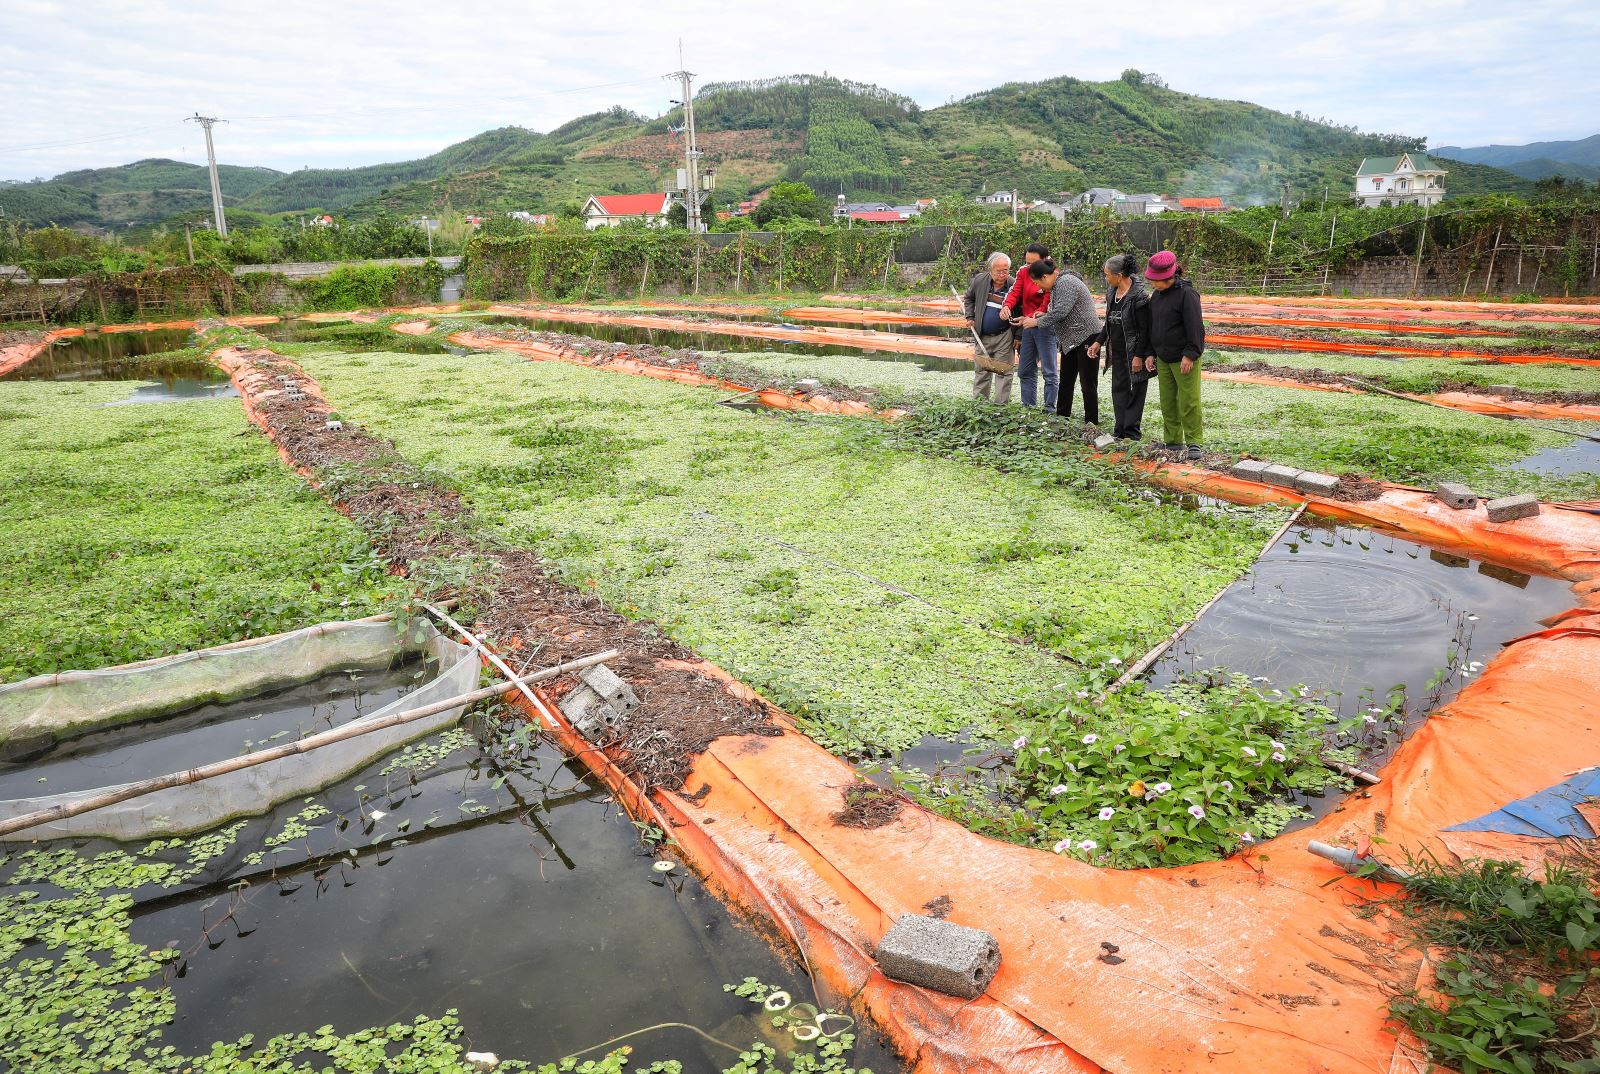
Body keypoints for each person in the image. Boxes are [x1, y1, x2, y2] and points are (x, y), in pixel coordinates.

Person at [1142, 250, 1206, 459]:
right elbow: (1152, 327)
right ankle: (1173, 441)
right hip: (1163, 357)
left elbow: (1195, 327)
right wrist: (1151, 352)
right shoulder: (1156, 297)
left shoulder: (1187, 295)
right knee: (1168, 401)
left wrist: (1190, 354)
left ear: (1168, 277)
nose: (1153, 284)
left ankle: (1194, 441)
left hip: (1183, 358)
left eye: (1156, 281)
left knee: (1188, 400)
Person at [1020, 260, 1101, 423]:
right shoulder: (1056, 286)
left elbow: (1061, 312)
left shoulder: (1066, 282)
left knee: (1088, 383)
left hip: (1087, 336)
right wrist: (1039, 316)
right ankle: (1062, 419)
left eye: (1038, 283)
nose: (1039, 288)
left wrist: (1036, 322)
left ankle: (1091, 423)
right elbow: (1056, 311)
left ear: (1044, 277)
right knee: (1066, 380)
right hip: (1070, 339)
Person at [1088, 253, 1153, 440]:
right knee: (1119, 390)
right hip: (1116, 350)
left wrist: (1139, 356)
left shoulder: (1139, 297)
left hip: (1133, 352)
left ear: (1119, 275)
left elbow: (1145, 330)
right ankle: (1120, 430)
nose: (1106, 278)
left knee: (1136, 391)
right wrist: (1098, 341)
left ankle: (1132, 433)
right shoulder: (1111, 293)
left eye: (1107, 274)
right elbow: (1109, 322)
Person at [1001, 243, 1057, 408]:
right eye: (1027, 262)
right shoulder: (1024, 272)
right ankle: (1028, 407)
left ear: (1045, 260)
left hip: (1045, 326)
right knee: (1025, 370)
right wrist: (1007, 306)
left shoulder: (1051, 275)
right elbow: (1015, 292)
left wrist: (1032, 319)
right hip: (1028, 326)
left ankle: (1049, 409)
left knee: (1049, 371)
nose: (1029, 266)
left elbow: (1047, 303)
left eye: (1033, 263)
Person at [961, 253, 1017, 403]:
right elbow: (969, 298)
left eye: (1005, 270)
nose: (1002, 274)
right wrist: (970, 317)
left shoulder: (1014, 285)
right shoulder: (980, 281)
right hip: (982, 336)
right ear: (990, 269)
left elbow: (1022, 310)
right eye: (998, 271)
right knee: (982, 372)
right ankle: (980, 407)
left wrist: (1018, 336)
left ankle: (1001, 410)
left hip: (1004, 336)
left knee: (1003, 372)